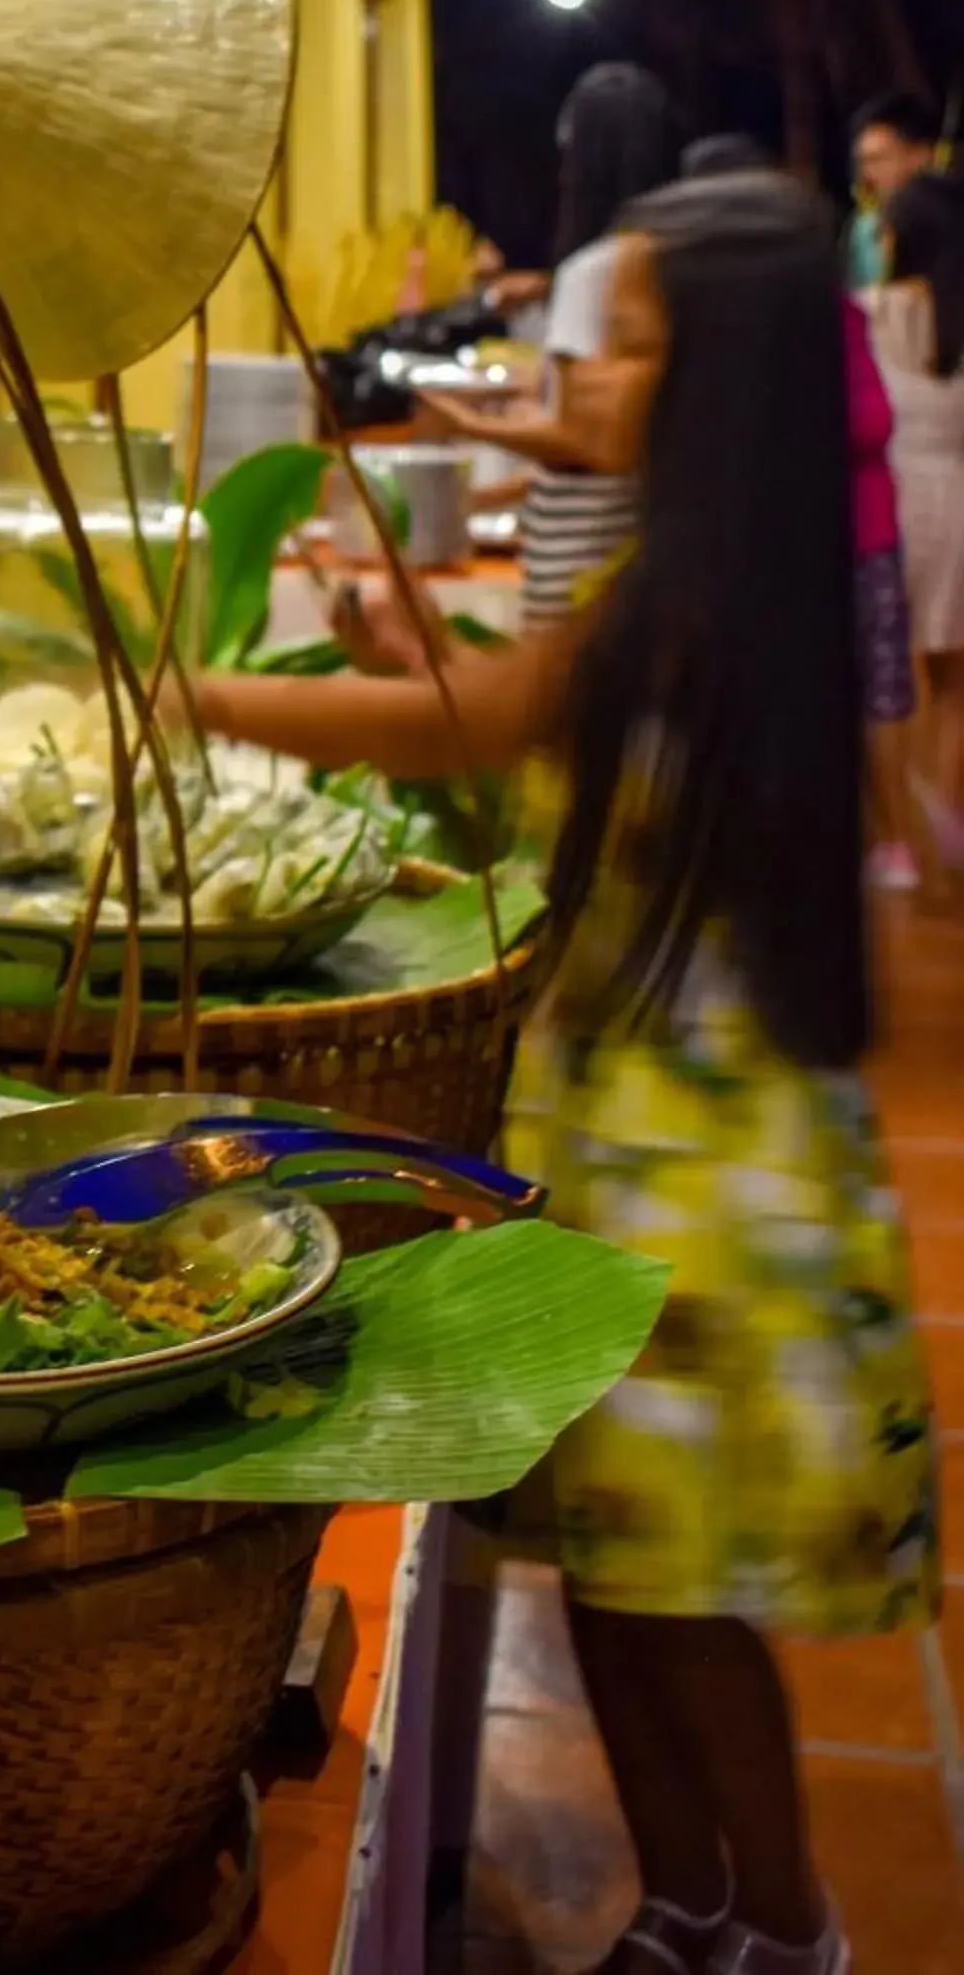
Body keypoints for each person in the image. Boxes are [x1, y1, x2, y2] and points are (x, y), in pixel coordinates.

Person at [186, 173, 935, 1975]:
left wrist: (200, 701)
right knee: (622, 1585)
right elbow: (512, 731)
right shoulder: (704, 593)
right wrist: (406, 652)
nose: (585, 381)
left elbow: (487, 725)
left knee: (683, 1610)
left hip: (697, 1218)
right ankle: (694, 1912)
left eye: (632, 352)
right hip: (661, 1170)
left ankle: (788, 1928)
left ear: (723, 391)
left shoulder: (674, 601)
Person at [682, 139, 920, 887]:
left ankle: (900, 839)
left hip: (855, 537)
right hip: (785, 547)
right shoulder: (728, 324)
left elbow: (870, 421)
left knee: (874, 695)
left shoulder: (828, 316)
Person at [423, 62, 677, 623]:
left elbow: (580, 440)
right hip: (645, 528)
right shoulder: (669, 257)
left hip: (583, 539)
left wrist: (463, 422)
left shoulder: (598, 270)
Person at [867, 171, 964, 861]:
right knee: (955, 680)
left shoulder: (871, 309)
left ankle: (901, 837)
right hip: (957, 497)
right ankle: (947, 823)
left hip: (891, 497)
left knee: (891, 679)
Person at [846, 92, 939, 290]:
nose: (867, 175)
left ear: (920, 156)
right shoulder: (864, 232)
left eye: (878, 159)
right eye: (863, 163)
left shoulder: (950, 225)